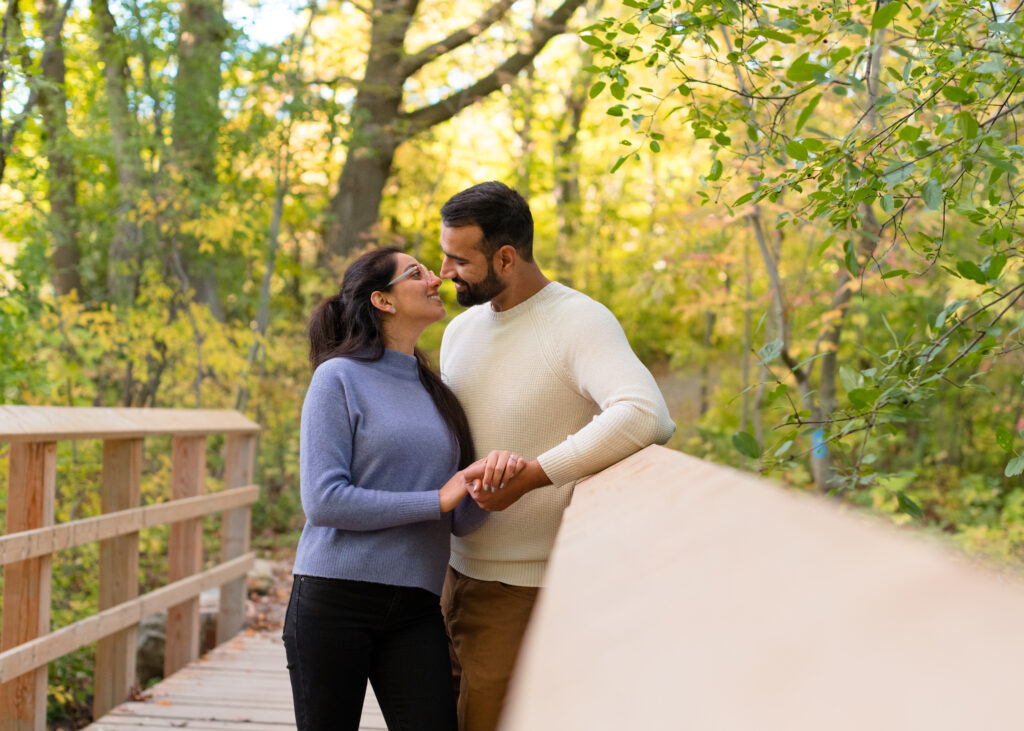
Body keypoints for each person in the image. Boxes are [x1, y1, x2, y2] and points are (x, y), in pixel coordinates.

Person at [438, 181, 676, 731]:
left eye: (459, 258)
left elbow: (645, 413)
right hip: (450, 573)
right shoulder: (459, 331)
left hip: (524, 586)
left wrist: (531, 477)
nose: (445, 270)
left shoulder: (577, 320)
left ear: (506, 256)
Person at [282, 246, 524, 731]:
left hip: (415, 605)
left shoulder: (436, 389)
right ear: (383, 301)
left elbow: (459, 518)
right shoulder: (337, 378)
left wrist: (489, 486)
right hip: (334, 600)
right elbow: (325, 500)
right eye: (417, 273)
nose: (435, 279)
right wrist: (437, 498)